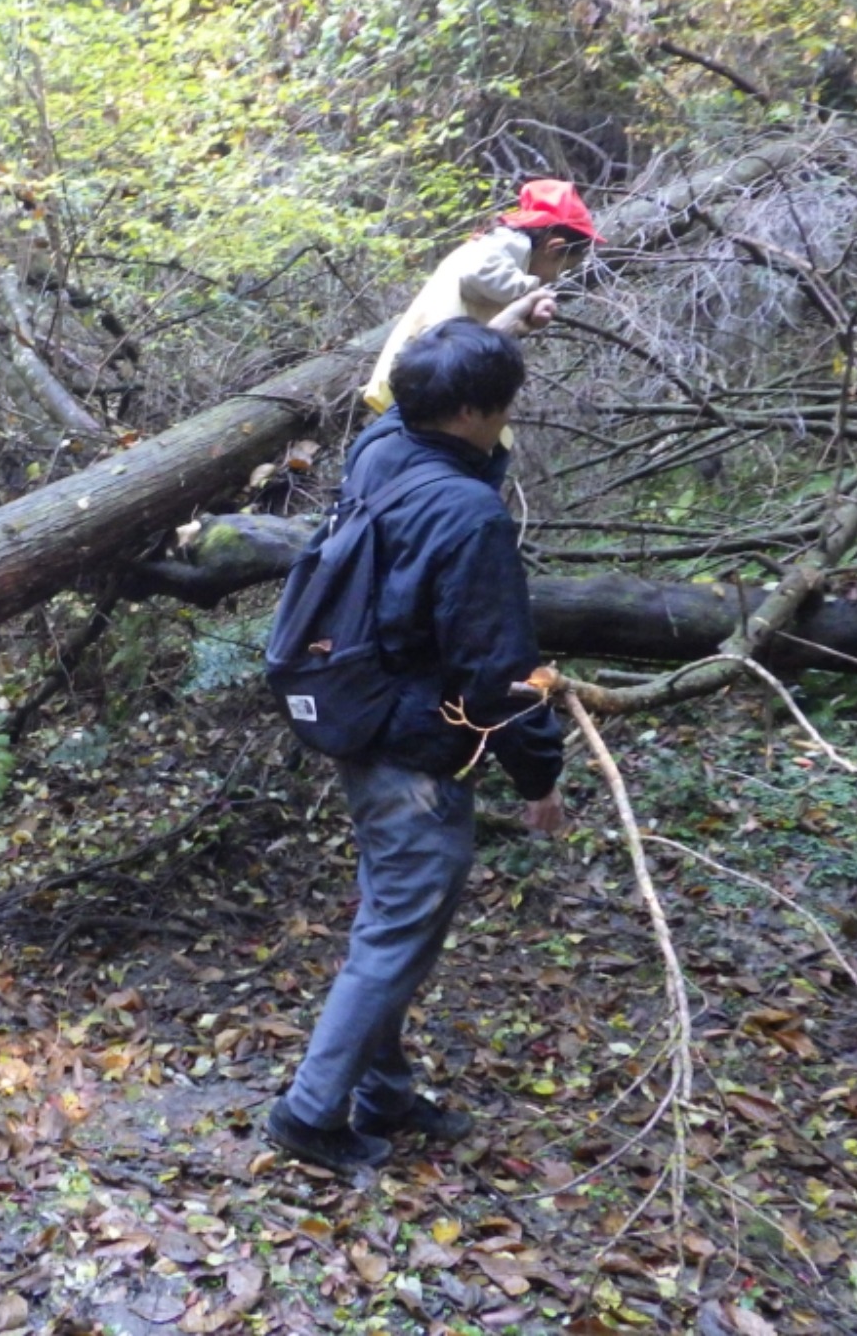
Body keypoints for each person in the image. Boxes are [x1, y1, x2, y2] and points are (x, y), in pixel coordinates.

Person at [265, 318, 570, 1177]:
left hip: (358, 708)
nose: (508, 416)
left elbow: (406, 406)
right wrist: (539, 778)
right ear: (470, 412)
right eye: (501, 403)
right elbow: (498, 671)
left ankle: (384, 1092)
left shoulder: (380, 448)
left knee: (392, 917)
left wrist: (485, 330)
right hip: (411, 747)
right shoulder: (468, 516)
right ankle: (309, 1113)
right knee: (398, 931)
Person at [359, 179, 601, 417]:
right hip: (429, 366)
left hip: (438, 367)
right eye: (564, 268)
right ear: (553, 248)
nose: (557, 278)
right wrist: (531, 291)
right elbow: (476, 273)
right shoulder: (506, 246)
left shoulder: (509, 255)